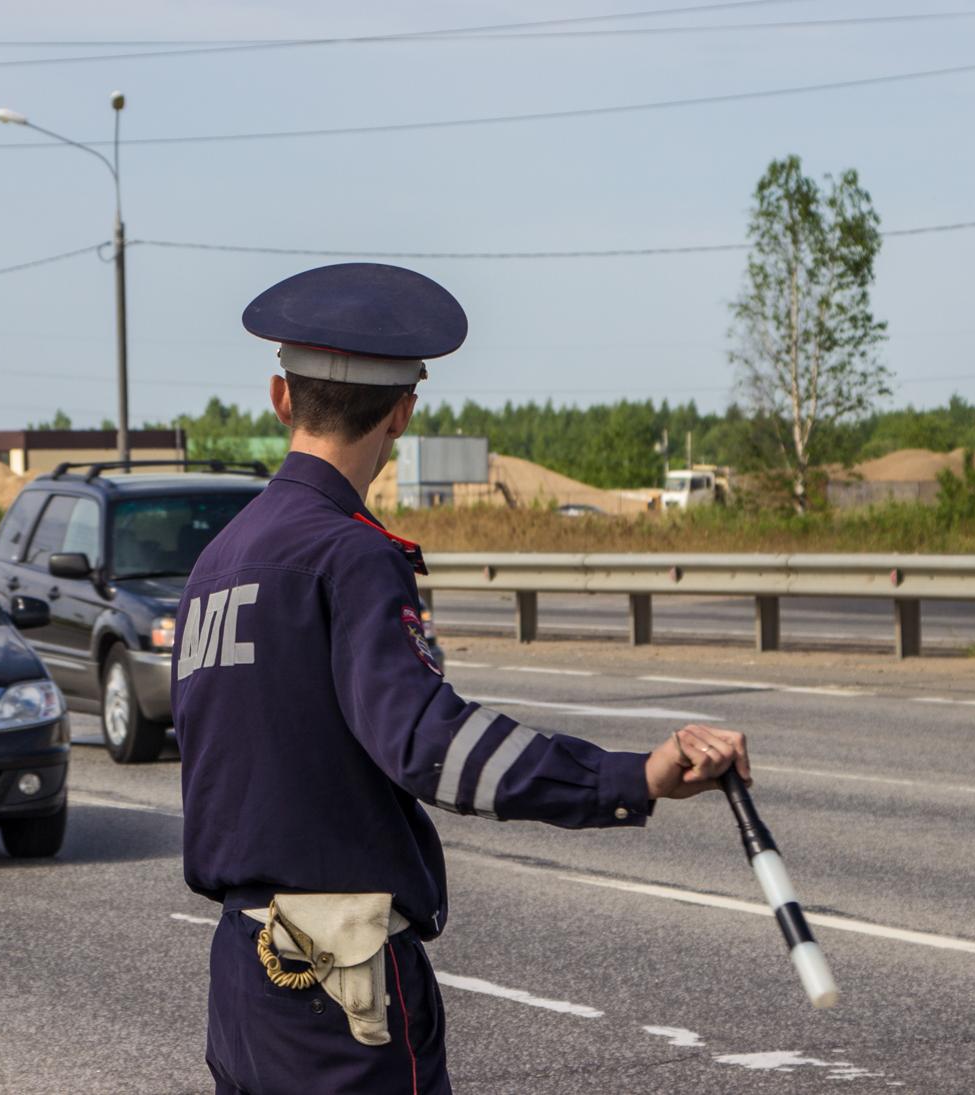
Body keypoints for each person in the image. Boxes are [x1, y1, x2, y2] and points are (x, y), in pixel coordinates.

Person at [171, 263, 751, 1095]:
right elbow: (427, 741)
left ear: (280, 396)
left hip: (244, 978)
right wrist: (631, 777)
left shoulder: (215, 563)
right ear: (404, 411)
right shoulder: (350, 555)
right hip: (341, 989)